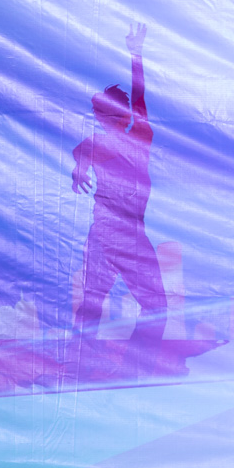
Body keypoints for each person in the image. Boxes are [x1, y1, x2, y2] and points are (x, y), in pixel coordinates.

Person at [70, 23, 166, 344]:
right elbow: (81, 151)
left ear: (123, 116)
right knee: (106, 303)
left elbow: (139, 100)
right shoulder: (101, 142)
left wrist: (136, 56)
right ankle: (99, 361)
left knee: (97, 303)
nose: (106, 120)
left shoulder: (137, 135)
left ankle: (127, 360)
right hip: (114, 233)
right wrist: (79, 168)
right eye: (103, 115)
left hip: (117, 233)